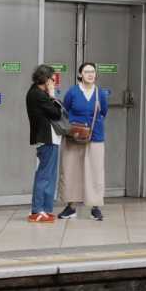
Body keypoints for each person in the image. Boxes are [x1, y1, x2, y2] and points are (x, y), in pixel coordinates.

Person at [58, 62, 110, 221]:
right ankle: (71, 206)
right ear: (80, 74)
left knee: (95, 171)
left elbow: (104, 112)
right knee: (71, 170)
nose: (90, 74)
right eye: (87, 71)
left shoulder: (100, 93)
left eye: (93, 71)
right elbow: (65, 111)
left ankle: (95, 207)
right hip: (74, 137)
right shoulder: (72, 92)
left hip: (95, 137)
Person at [25, 64, 66, 223]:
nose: (54, 82)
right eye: (52, 79)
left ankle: (45, 209)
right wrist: (52, 94)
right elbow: (56, 113)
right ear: (45, 79)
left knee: (49, 175)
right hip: (47, 139)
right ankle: (38, 210)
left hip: (49, 139)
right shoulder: (38, 95)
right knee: (45, 175)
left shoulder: (36, 92)